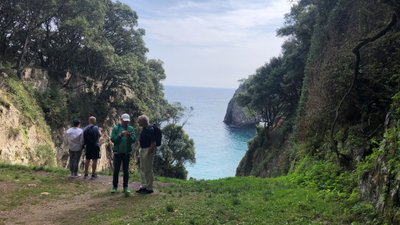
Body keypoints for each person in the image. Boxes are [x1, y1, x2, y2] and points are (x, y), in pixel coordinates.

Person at [110, 113, 136, 194]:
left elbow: (134, 139)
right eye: (124, 121)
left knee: (126, 171)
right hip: (117, 152)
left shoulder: (131, 129)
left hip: (126, 153)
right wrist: (120, 135)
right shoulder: (116, 128)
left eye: (127, 121)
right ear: (121, 120)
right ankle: (114, 187)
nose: (126, 123)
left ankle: (126, 187)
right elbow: (113, 139)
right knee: (116, 170)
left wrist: (129, 136)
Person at [136, 115, 156, 194]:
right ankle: (144, 185)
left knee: (148, 169)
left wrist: (148, 153)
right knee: (142, 169)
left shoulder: (150, 129)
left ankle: (149, 187)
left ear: (144, 121)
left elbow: (153, 143)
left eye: (139, 121)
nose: (138, 122)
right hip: (143, 149)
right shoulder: (144, 129)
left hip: (147, 150)